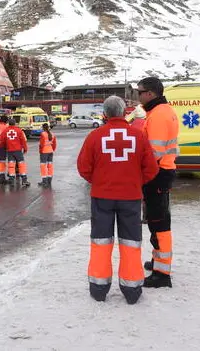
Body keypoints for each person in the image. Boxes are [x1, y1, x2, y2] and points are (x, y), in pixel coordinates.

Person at [77, 96, 158, 304]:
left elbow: (84, 168)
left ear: (104, 114)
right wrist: (135, 182)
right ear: (124, 112)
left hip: (102, 198)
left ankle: (99, 288)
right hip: (130, 198)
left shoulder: (95, 136)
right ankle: (132, 291)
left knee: (101, 242)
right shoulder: (138, 136)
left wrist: (100, 182)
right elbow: (151, 169)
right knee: (131, 242)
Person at [136, 77, 179, 288]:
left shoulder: (159, 115)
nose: (138, 96)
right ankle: (157, 262)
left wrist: (142, 174)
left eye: (140, 92)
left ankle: (162, 274)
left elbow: (154, 153)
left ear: (150, 93)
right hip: (162, 172)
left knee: (159, 222)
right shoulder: (159, 112)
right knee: (157, 220)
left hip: (158, 174)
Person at [1, 118, 30, 187]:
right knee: (21, 165)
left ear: (9, 123)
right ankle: (24, 180)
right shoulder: (19, 130)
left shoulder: (5, 131)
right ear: (15, 123)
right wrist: (25, 149)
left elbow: (3, 141)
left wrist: (5, 147)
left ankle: (11, 180)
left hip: (10, 150)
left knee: (11, 165)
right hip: (18, 151)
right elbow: (23, 141)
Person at [38, 123, 57, 187]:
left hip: (44, 152)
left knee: (43, 166)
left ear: (43, 128)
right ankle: (49, 180)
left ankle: (44, 181)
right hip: (50, 151)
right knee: (50, 166)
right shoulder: (52, 134)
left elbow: (41, 144)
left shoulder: (43, 134)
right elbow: (54, 144)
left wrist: (40, 151)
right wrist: (52, 149)